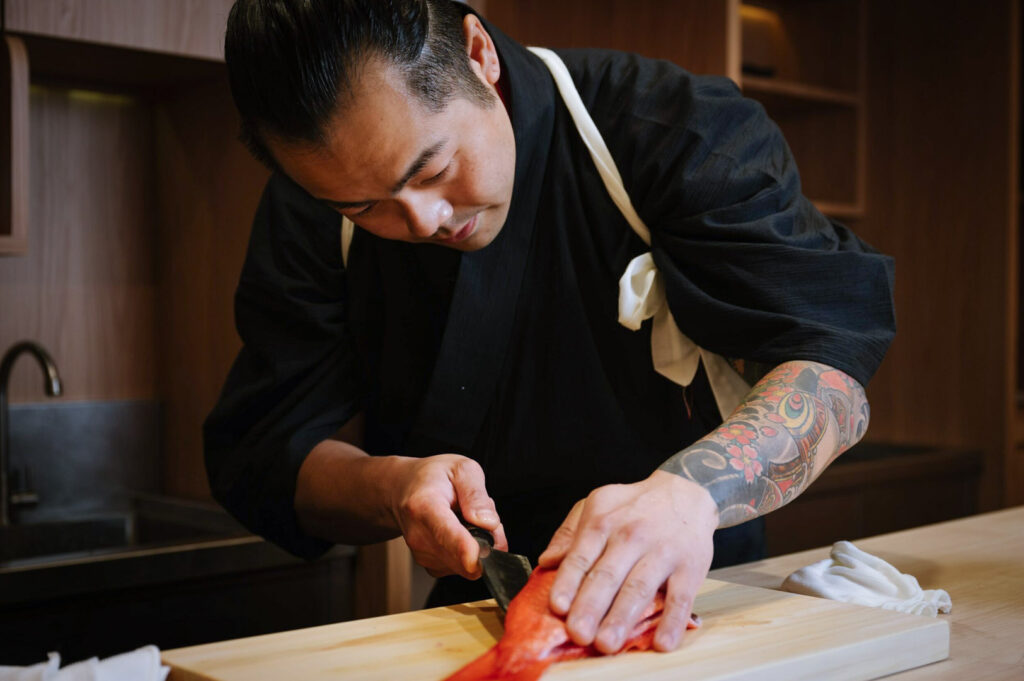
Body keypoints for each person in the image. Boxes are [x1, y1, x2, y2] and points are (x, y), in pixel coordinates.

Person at [206, 0, 895, 655]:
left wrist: (691, 496)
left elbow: (830, 359)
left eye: (434, 167)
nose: (421, 221)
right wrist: (394, 487)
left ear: (479, 55)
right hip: (482, 606)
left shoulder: (669, 127)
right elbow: (270, 452)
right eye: (365, 205)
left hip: (703, 588)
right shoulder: (312, 212)